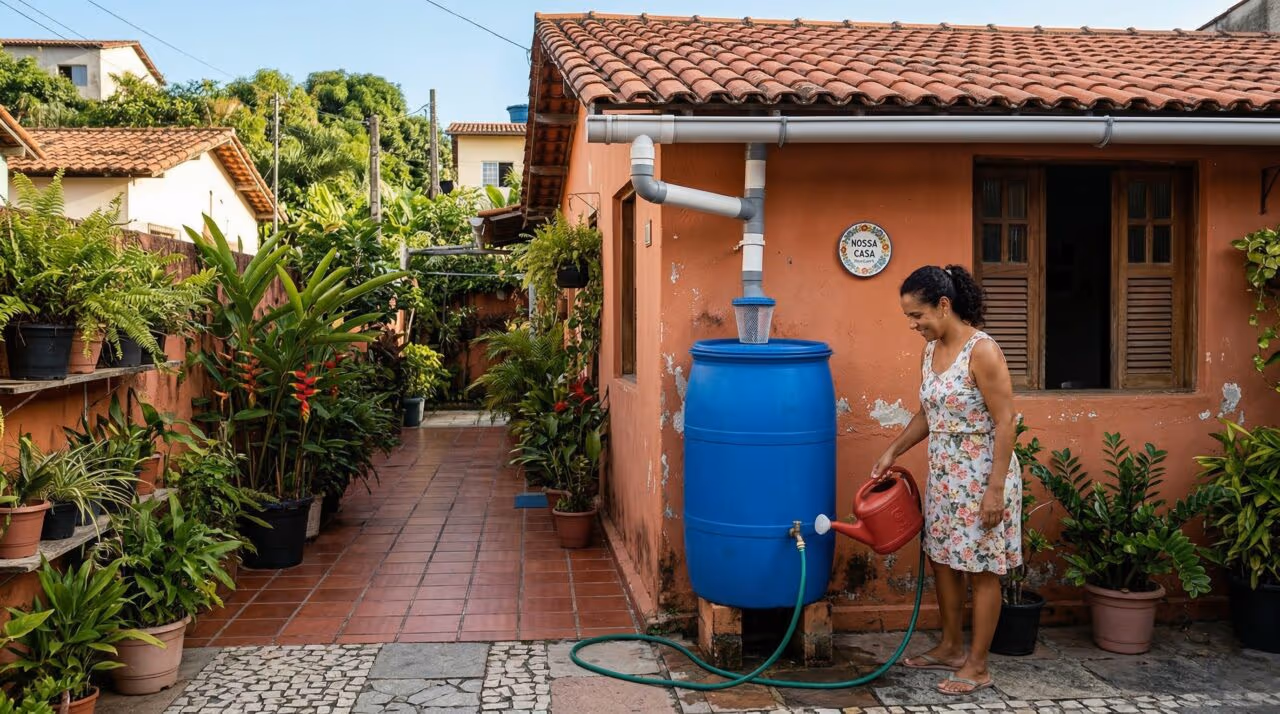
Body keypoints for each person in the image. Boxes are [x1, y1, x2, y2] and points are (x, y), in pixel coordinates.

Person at [869, 264, 1021, 696]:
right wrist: (893, 451)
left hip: (983, 475)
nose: (913, 324)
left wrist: (995, 491)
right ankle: (952, 647)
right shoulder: (930, 351)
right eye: (908, 317)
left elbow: (1006, 422)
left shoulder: (982, 351)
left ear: (943, 305)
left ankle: (978, 665)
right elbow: (928, 413)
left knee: (982, 568)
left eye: (917, 315)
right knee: (943, 559)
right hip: (946, 476)